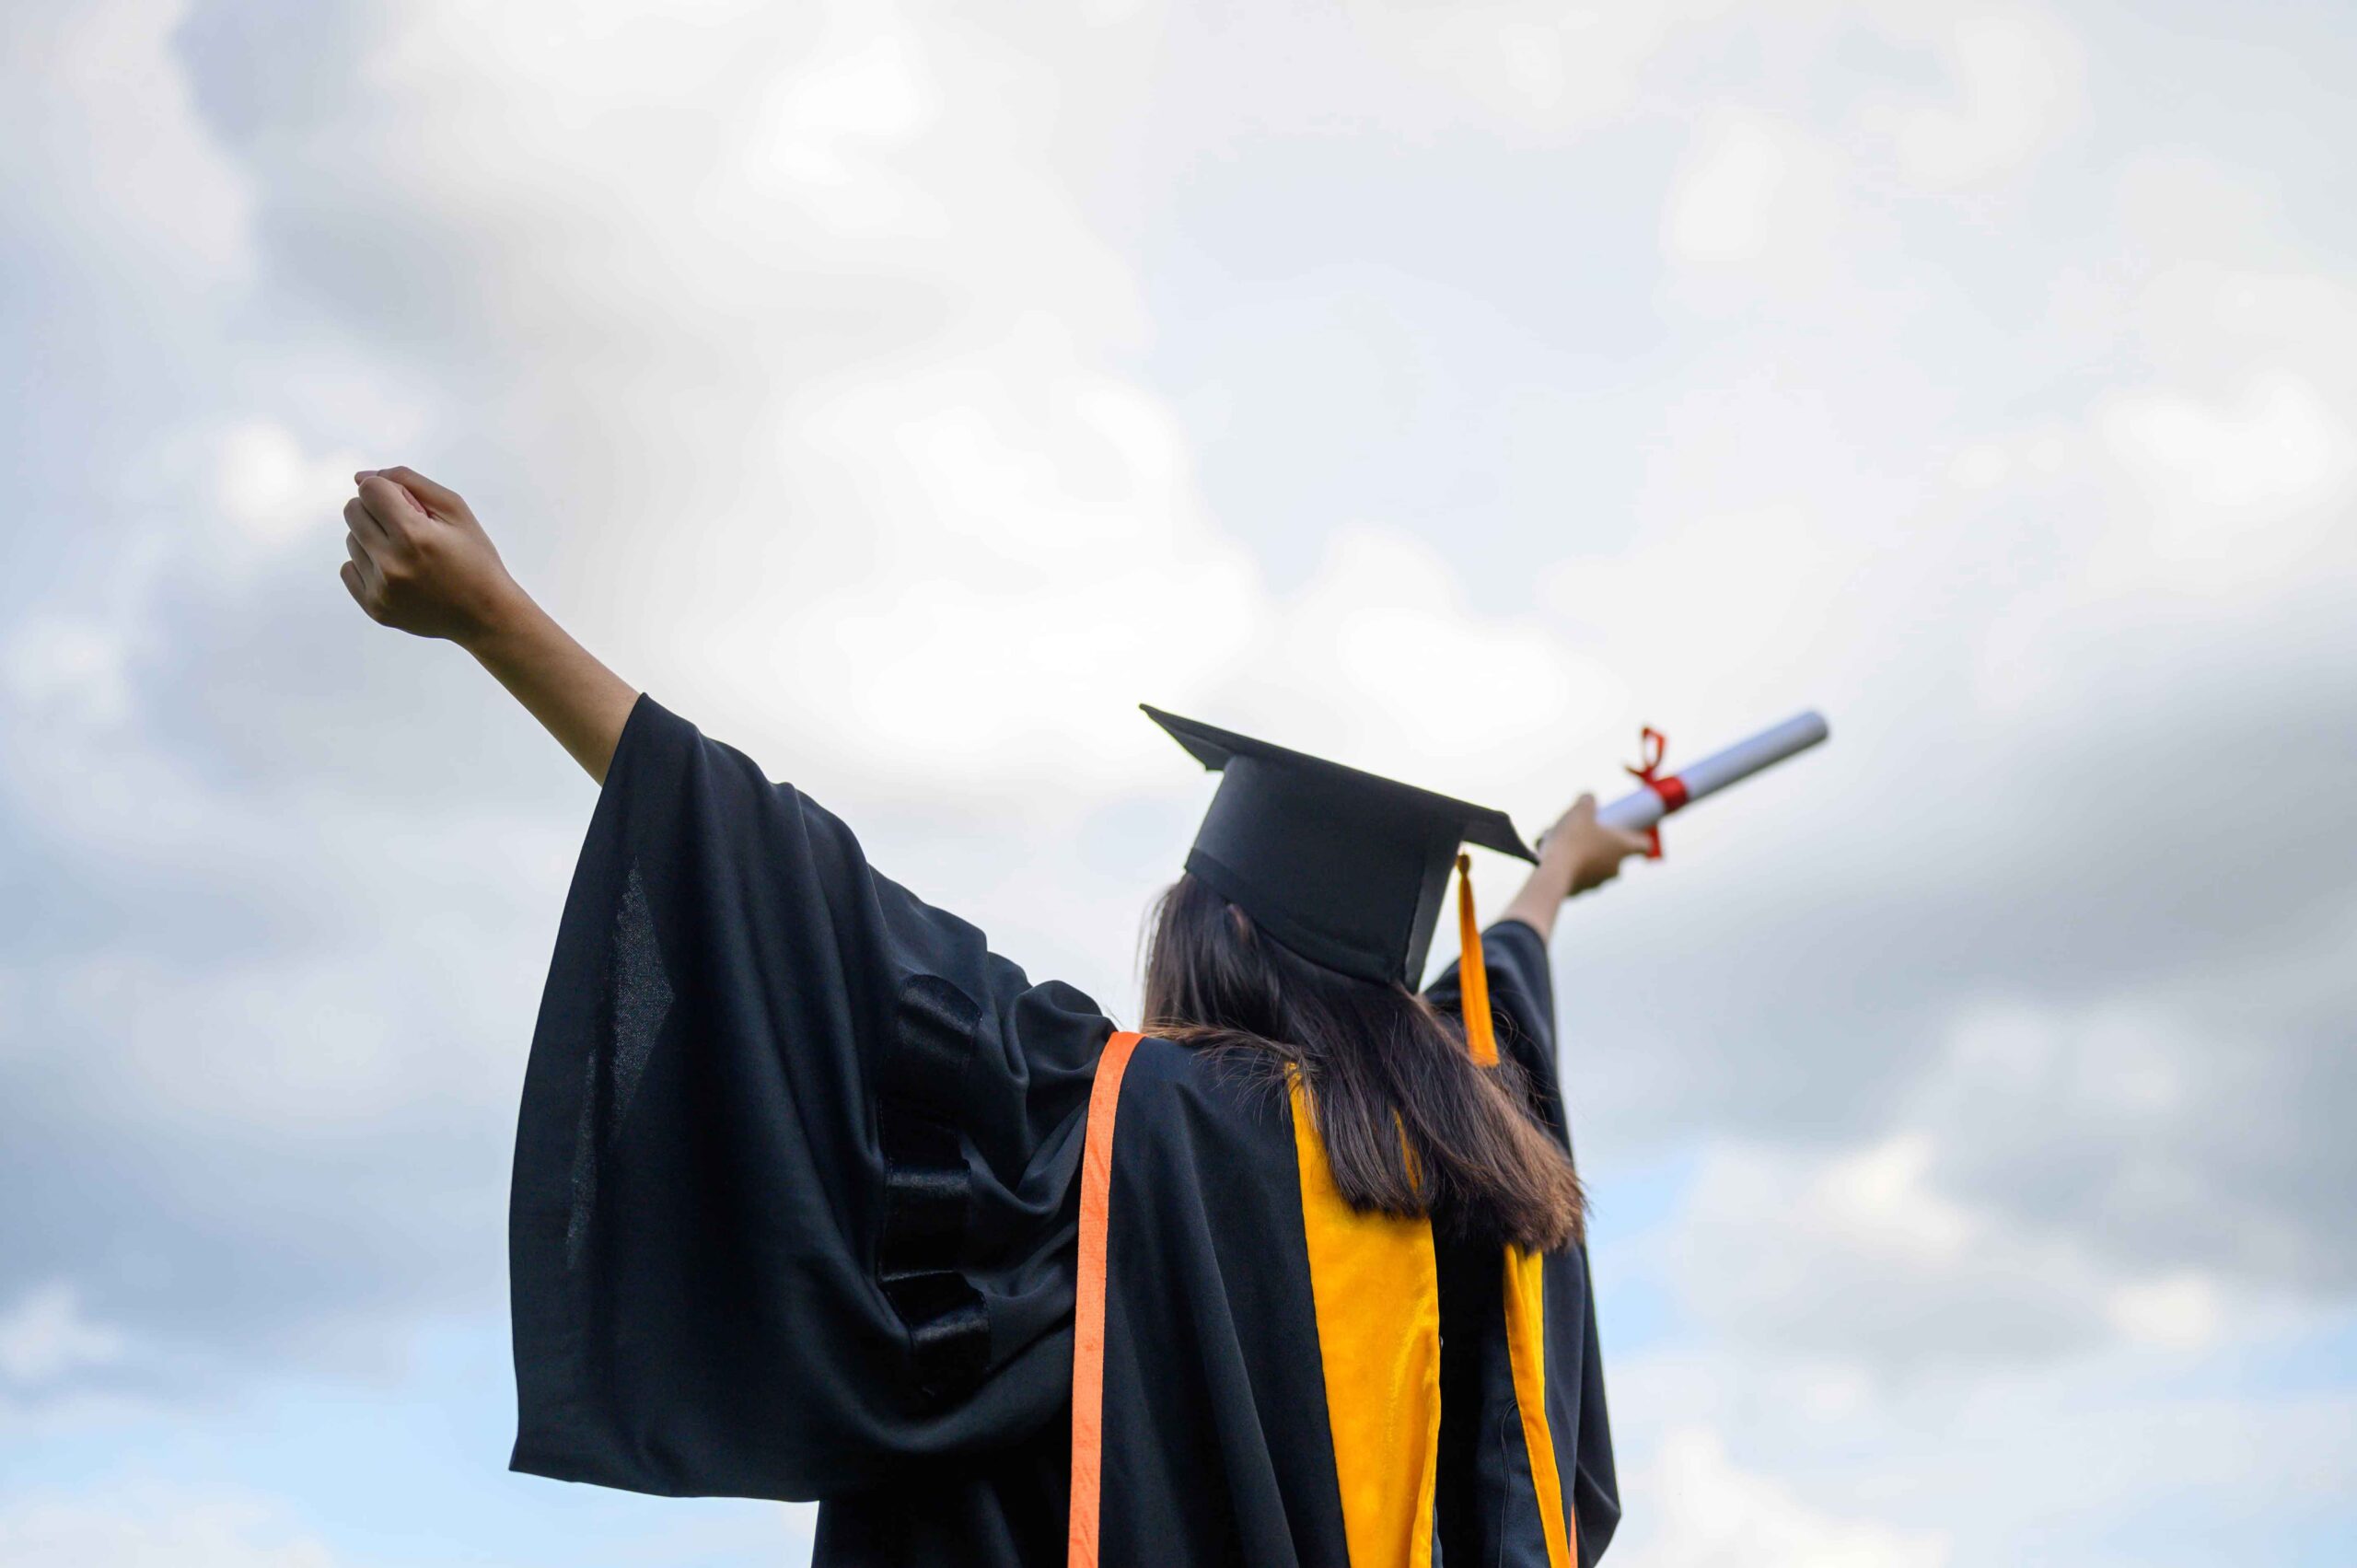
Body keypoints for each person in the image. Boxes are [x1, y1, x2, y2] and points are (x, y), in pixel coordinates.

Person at [339, 466, 1651, 1566]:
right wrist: (1548, 885)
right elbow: (1497, 1019)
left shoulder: (1130, 1126)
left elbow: (801, 901)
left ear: (1223, 939)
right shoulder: (1512, 1207)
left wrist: (495, 619)